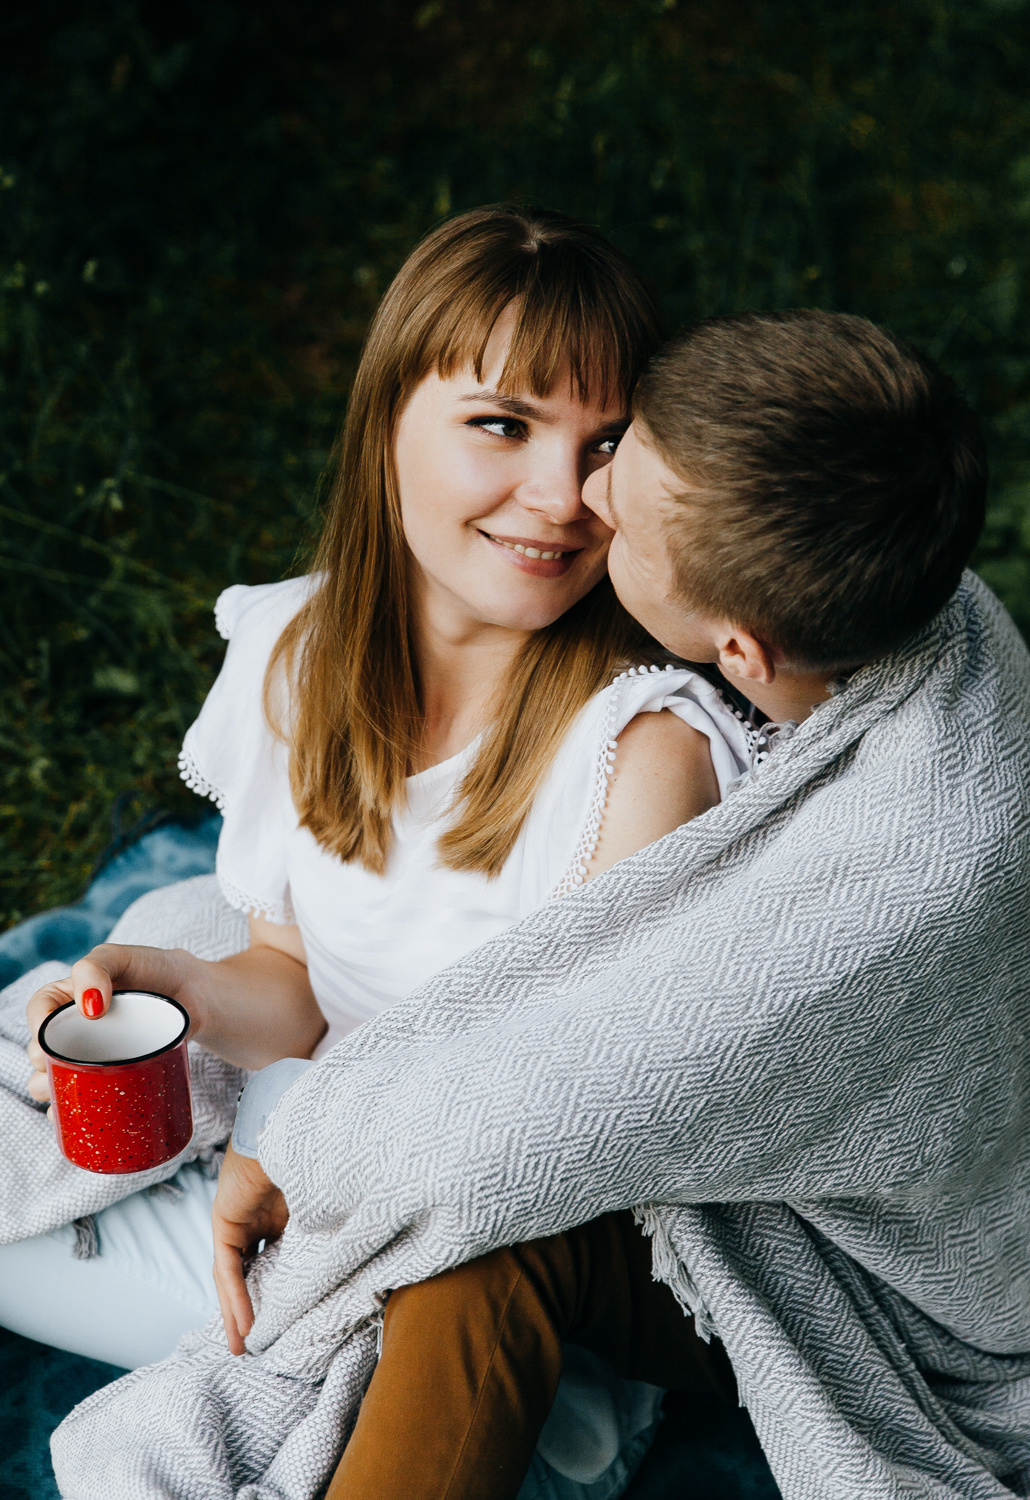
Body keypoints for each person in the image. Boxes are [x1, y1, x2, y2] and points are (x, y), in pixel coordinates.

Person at [57, 306, 1029, 1500]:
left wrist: (290, 1147)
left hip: (869, 1278)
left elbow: (522, 1121)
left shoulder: (875, 869)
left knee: (479, 1249)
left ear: (738, 653)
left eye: (614, 481)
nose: (582, 496)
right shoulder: (905, 579)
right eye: (631, 443)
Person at [10, 206, 752, 1379]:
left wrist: (292, 1141)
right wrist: (180, 989)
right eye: (503, 425)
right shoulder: (292, 651)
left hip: (478, 1232)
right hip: (320, 1137)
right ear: (386, 423)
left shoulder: (643, 754)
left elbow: (565, 1136)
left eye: (605, 444)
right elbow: (300, 988)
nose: (564, 496)